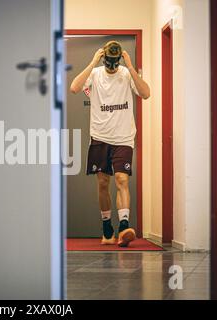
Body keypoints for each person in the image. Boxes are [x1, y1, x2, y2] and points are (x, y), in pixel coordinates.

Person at [70, 40, 150, 247]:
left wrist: (131, 66)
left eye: (116, 61)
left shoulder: (125, 73)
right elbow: (74, 88)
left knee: (122, 179)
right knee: (103, 182)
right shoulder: (95, 74)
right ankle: (107, 226)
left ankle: (124, 226)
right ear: (104, 58)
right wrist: (92, 62)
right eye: (109, 61)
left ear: (119, 59)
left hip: (123, 138)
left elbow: (146, 93)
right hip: (100, 136)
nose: (112, 66)